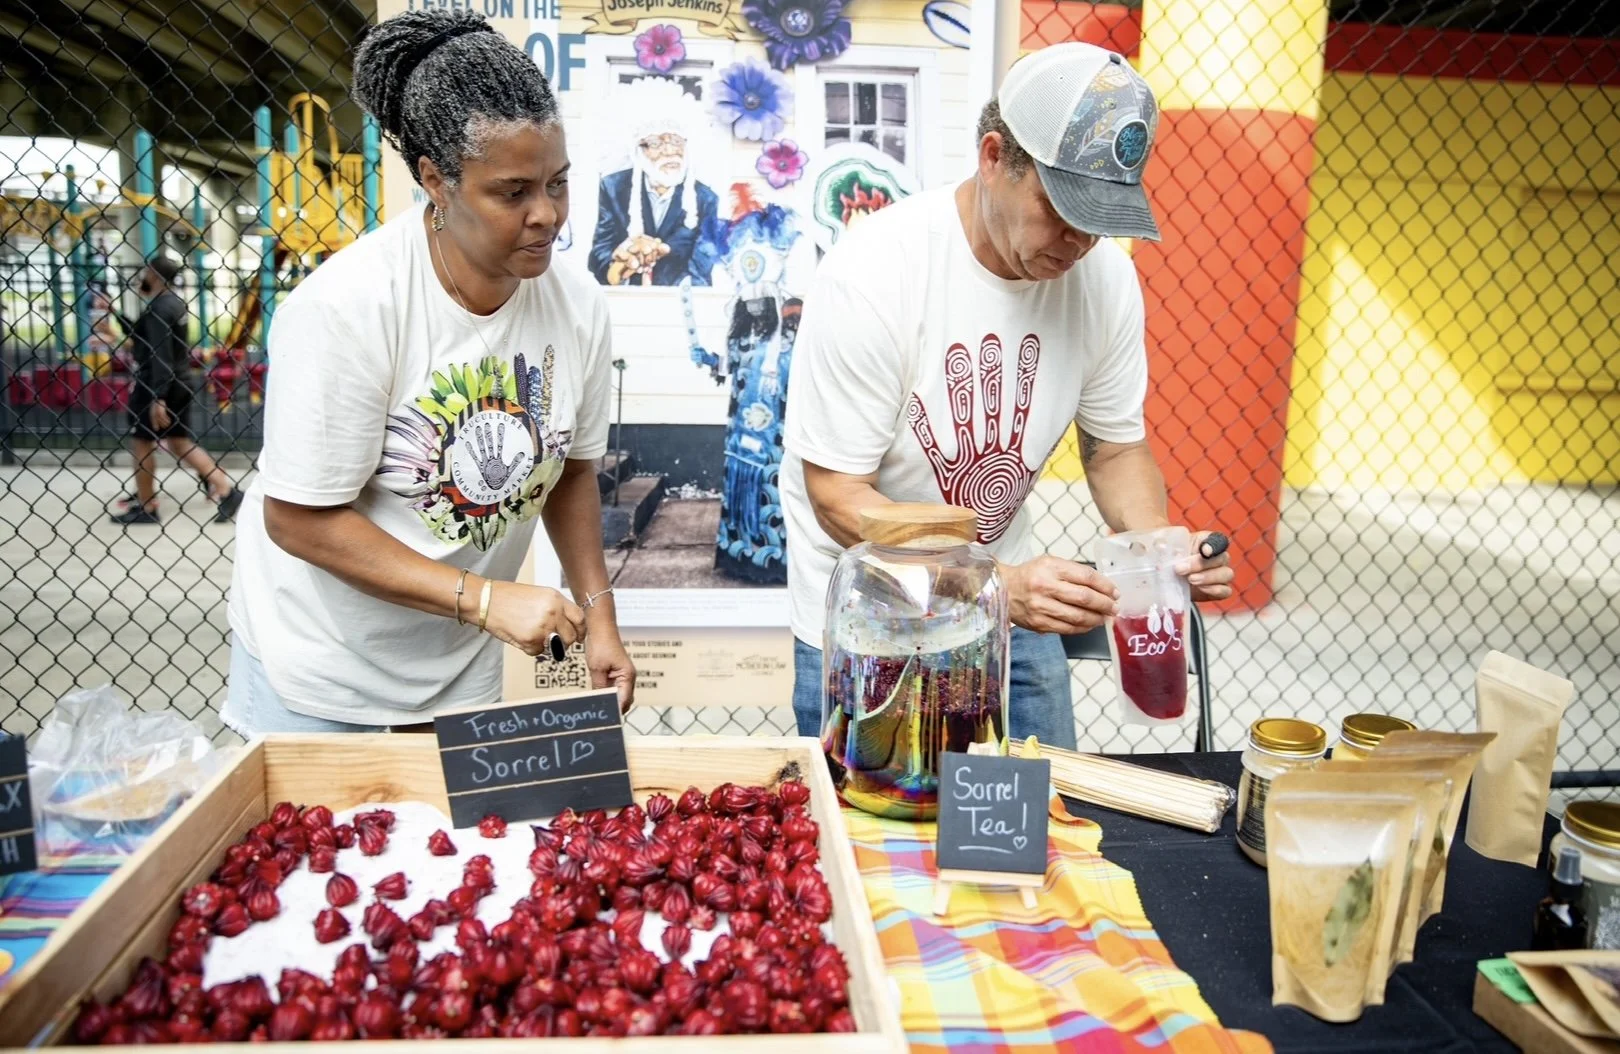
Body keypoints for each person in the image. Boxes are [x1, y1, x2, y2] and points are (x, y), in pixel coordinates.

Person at [781, 43, 1235, 748]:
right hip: (872, 615)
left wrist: (1154, 549)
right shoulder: (875, 274)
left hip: (1003, 603)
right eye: (1061, 209)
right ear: (994, 158)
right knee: (883, 841)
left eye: (1102, 217)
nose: (1081, 242)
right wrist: (996, 584)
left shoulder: (1106, 282)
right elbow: (840, 497)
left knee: (1039, 821)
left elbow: (1116, 448)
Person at [223, 9, 635, 735]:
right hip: (323, 674)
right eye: (513, 193)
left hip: (457, 668)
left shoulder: (577, 307)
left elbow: (571, 472)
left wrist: (600, 616)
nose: (548, 215)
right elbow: (296, 518)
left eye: (559, 183)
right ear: (436, 182)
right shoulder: (348, 309)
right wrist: (482, 599)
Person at [109, 255, 242, 525]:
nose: (142, 279)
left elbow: (159, 355)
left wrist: (158, 396)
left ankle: (147, 507)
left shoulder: (159, 308)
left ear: (155, 275)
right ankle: (227, 490)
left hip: (157, 385)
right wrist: (116, 315)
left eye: (146, 273)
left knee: (142, 442)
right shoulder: (175, 305)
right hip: (180, 381)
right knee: (179, 441)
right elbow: (147, 339)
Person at [588, 79, 719, 287]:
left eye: (676, 141)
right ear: (637, 150)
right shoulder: (613, 188)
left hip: (681, 304)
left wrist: (661, 250)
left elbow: (702, 265)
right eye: (656, 143)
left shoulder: (705, 198)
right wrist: (621, 263)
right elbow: (599, 253)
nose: (669, 151)